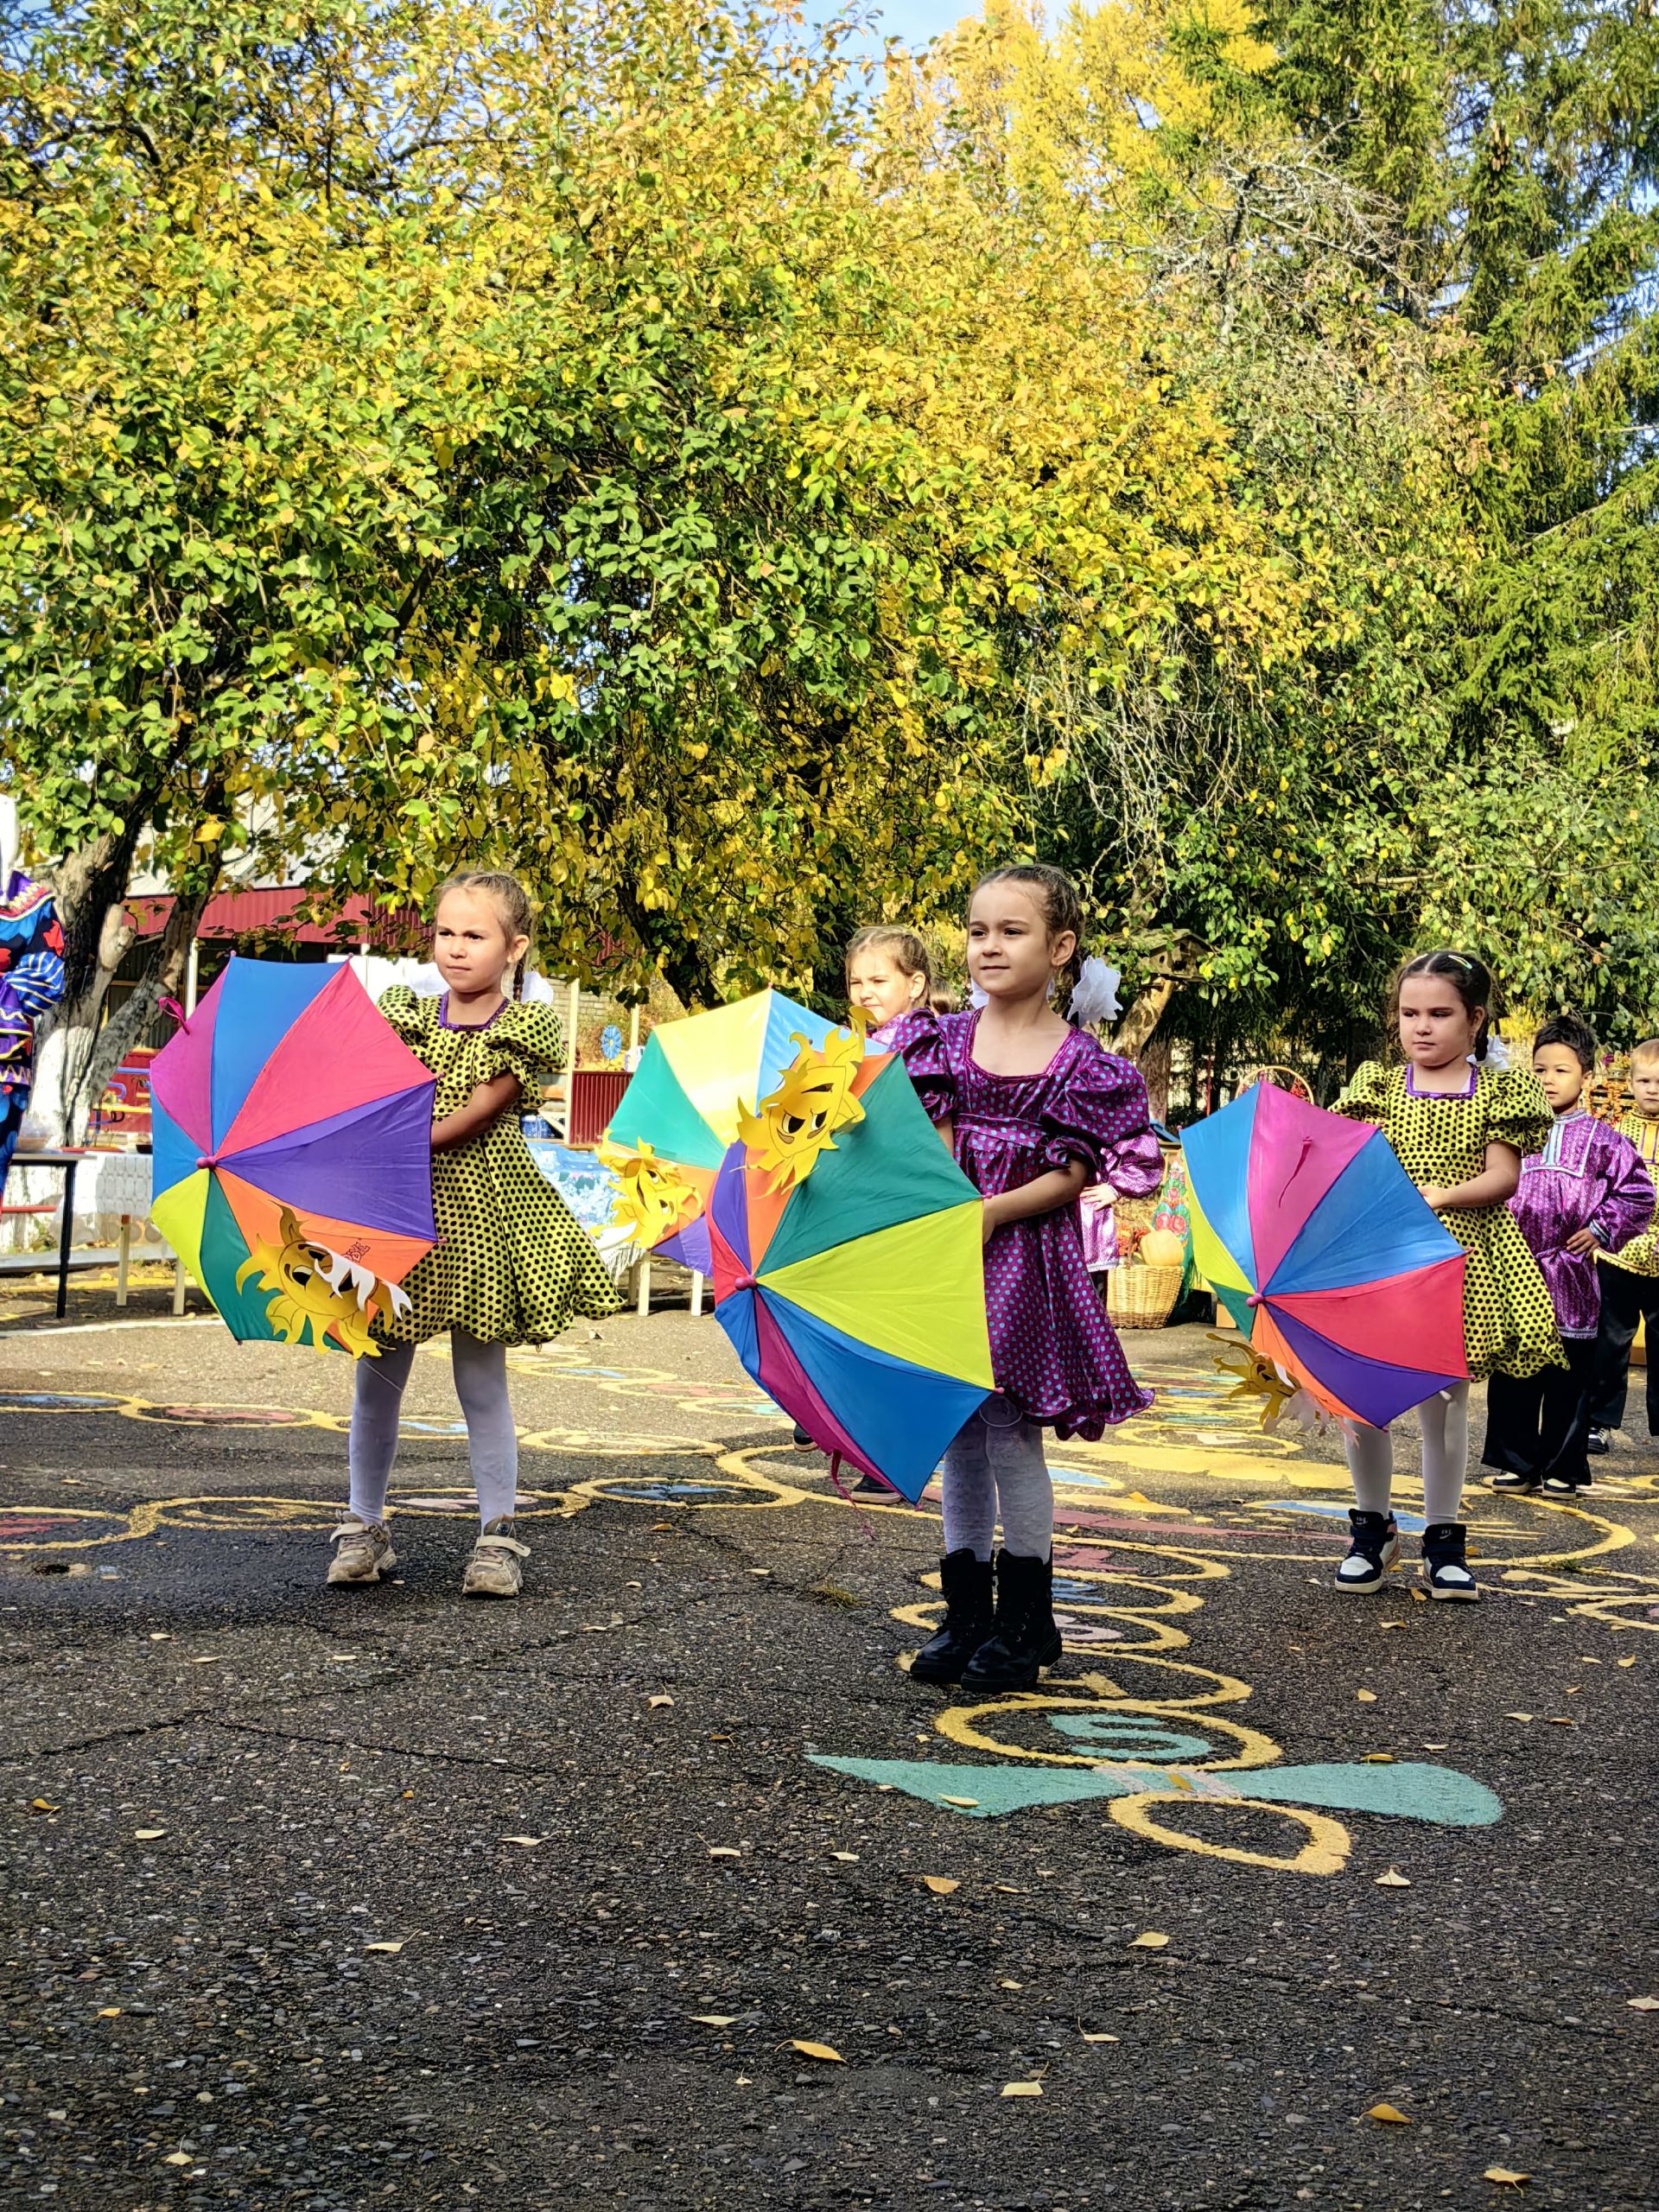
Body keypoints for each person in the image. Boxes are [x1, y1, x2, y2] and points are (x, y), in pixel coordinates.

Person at [891, 862, 1162, 1689]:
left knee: (1009, 1431)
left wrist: (990, 1211)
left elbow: (1075, 1171)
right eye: (977, 932)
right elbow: (930, 1134)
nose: (989, 947)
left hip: (1022, 1260)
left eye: (1012, 932)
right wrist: (945, 1204)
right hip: (951, 1253)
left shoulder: (1083, 1063)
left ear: (1061, 947)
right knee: (959, 1433)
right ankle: (966, 1613)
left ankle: (1027, 1620)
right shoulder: (941, 1042)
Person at [329, 871, 619, 1599]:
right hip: (402, 1218)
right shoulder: (403, 1014)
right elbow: (368, 1088)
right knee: (377, 1377)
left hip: (482, 1223)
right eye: (445, 933)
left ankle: (496, 1535)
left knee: (480, 1382)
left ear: (514, 948)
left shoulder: (521, 1030)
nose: (455, 949)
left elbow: (471, 1117)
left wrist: (392, 1139)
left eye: (475, 935)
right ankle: (364, 1524)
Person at [1332, 950, 1559, 1599]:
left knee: (1445, 1401)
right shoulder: (1377, 1084)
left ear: (1476, 1019)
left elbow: (1504, 1177)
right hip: (1382, 1256)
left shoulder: (1498, 1090)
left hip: (1462, 1260)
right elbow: (1349, 1161)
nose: (1421, 1027)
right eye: (1409, 1013)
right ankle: (1371, 1527)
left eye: (1439, 1013)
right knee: (1364, 1397)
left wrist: (1442, 1195)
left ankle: (1443, 1538)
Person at [1481, 1016, 1653, 1494]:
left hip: (1572, 1274)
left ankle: (1562, 1467)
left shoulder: (1604, 1141)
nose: (1549, 1080)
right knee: (1514, 1371)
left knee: (1569, 1378)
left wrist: (1601, 1228)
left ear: (1587, 1078)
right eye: (1539, 1070)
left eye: (1561, 1070)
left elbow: (1638, 1194)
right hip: (1514, 1270)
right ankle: (1516, 1462)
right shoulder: (1508, 1131)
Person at [1586, 1036, 1659, 1456]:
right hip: (1617, 1254)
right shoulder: (1614, 1135)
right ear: (1629, 1082)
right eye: (1644, 1080)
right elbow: (1600, 1187)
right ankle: (1599, 1421)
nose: (1652, 1088)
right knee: (1610, 1341)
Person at [845, 925, 935, 1048]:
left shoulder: (922, 1045)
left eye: (878, 981)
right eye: (856, 983)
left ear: (915, 985)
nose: (864, 994)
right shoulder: (865, 1039)